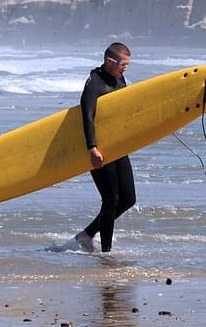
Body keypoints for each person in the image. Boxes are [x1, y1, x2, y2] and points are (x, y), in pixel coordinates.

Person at [72, 42, 136, 253]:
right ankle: (106, 253)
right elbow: (87, 116)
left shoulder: (119, 78)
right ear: (110, 61)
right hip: (99, 147)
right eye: (122, 64)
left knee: (128, 199)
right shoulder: (94, 83)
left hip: (117, 145)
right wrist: (92, 148)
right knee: (111, 199)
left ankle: (86, 234)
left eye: (127, 65)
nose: (125, 69)